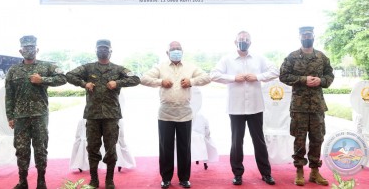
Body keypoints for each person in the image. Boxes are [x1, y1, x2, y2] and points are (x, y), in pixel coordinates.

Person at [66, 39, 140, 189]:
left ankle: (109, 180)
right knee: (92, 148)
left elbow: (135, 79)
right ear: (96, 51)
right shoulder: (88, 68)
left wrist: (117, 83)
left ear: (111, 51)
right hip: (93, 115)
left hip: (111, 116)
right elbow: (69, 75)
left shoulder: (118, 69)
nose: (103, 51)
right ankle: (94, 179)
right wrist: (84, 84)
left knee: (111, 148)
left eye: (106, 48)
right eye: (100, 48)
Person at [210, 31, 278, 186]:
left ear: (250, 43)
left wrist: (258, 77)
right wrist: (233, 78)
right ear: (235, 42)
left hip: (255, 107)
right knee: (236, 142)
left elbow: (275, 71)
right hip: (235, 108)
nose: (244, 41)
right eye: (241, 39)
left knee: (259, 141)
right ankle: (237, 174)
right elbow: (213, 74)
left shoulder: (259, 58)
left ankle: (266, 173)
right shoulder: (227, 59)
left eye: (246, 39)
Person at [140, 41, 210, 189]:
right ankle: (166, 178)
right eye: (173, 49)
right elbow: (144, 79)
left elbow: (206, 78)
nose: (176, 51)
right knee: (166, 148)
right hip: (165, 113)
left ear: (182, 51)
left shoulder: (190, 67)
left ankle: (184, 178)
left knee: (184, 147)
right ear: (167, 53)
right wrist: (160, 81)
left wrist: (191, 81)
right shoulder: (160, 67)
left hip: (184, 113)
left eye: (178, 49)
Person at [5, 35, 67, 189]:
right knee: (21, 150)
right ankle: (23, 181)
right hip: (20, 117)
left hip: (40, 115)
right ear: (20, 51)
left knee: (40, 149)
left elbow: (63, 78)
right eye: (26, 48)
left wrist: (43, 80)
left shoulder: (46, 67)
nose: (29, 50)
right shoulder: (13, 70)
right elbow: (9, 95)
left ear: (37, 49)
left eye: (32, 47)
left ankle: (41, 181)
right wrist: (10, 116)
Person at [279, 26, 334, 186]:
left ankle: (315, 172)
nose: (307, 37)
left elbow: (329, 75)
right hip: (299, 107)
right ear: (300, 37)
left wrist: (321, 81)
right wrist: (303, 79)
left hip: (317, 106)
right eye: (304, 35)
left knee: (317, 138)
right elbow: (283, 75)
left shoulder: (322, 57)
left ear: (313, 36)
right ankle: (299, 171)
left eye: (309, 34)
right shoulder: (292, 57)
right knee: (300, 139)